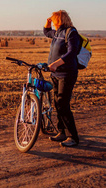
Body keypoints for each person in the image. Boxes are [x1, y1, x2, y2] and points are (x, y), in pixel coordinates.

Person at [44, 10, 81, 147]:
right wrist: (47, 24)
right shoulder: (57, 33)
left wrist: (55, 64)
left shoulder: (71, 32)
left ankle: (73, 137)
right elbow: (47, 32)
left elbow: (71, 52)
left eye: (53, 20)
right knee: (57, 103)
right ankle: (62, 132)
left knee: (63, 105)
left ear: (59, 19)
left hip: (67, 74)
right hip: (55, 74)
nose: (52, 22)